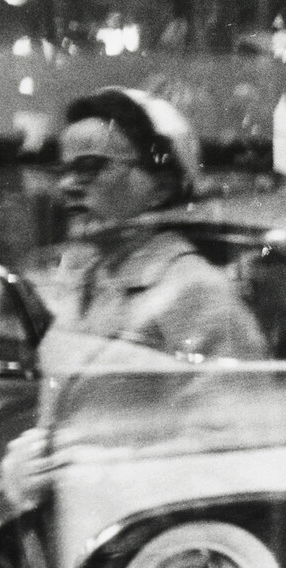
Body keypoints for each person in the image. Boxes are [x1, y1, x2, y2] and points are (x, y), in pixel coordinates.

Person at [48, 87, 264, 363]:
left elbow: (235, 390)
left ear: (162, 187)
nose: (67, 185)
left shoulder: (194, 291)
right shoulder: (80, 278)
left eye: (90, 166)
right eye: (63, 170)